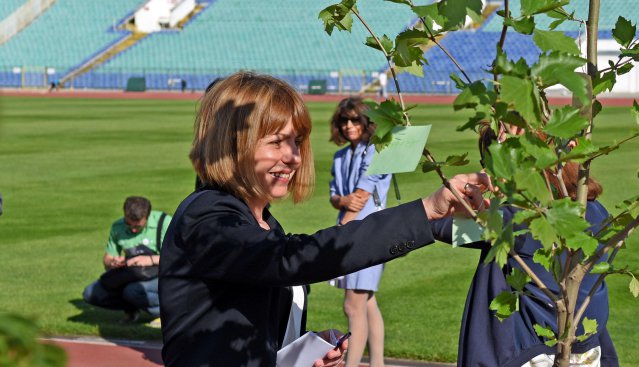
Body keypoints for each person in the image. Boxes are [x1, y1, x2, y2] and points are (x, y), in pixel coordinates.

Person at [158, 72, 490, 367]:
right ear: (233, 145)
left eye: (296, 141)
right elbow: (291, 259)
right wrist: (426, 211)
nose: (293, 157)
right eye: (277, 142)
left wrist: (299, 355)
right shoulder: (207, 217)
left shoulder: (266, 224)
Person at [431, 123, 619, 366]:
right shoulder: (596, 211)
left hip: (536, 352)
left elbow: (442, 227)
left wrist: (464, 200)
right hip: (588, 349)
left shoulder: (518, 221)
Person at [328, 97, 391, 367]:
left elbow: (362, 196)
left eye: (355, 119)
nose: (349, 125)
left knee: (352, 306)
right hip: (352, 230)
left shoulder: (377, 152)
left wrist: (338, 231)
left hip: (367, 234)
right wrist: (342, 201)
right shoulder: (340, 156)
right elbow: (336, 196)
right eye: (344, 120)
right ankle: (377, 364)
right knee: (367, 304)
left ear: (366, 122)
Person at [83, 196, 172, 326]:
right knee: (90, 293)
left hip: (163, 274)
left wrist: (151, 259)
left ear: (147, 216)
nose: (133, 229)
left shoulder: (165, 223)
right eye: (129, 224)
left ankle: (165, 314)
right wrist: (113, 262)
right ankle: (133, 309)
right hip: (133, 274)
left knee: (133, 291)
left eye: (138, 226)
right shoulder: (117, 227)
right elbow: (107, 260)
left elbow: (182, 258)